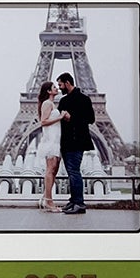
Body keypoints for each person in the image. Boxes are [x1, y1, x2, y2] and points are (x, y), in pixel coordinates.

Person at [54, 70, 96, 214]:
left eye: (60, 85)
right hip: (66, 142)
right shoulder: (63, 101)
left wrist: (71, 118)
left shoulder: (84, 99)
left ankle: (79, 203)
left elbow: (91, 119)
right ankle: (73, 201)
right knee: (71, 172)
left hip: (77, 141)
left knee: (74, 172)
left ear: (67, 83)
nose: (59, 88)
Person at [32, 80, 64, 210]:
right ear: (48, 91)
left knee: (54, 170)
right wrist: (60, 117)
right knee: (50, 170)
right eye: (54, 87)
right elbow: (43, 122)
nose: (57, 88)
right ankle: (49, 202)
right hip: (50, 140)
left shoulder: (51, 104)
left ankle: (45, 197)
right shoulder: (47, 103)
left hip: (56, 140)